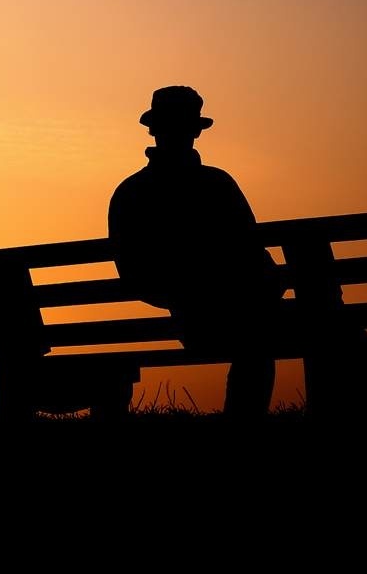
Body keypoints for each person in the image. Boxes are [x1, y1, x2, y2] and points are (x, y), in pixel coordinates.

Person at [108, 86, 283, 418]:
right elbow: (256, 256)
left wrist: (179, 293)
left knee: (261, 333)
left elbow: (132, 275)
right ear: (196, 131)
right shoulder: (218, 185)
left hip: (188, 322)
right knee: (281, 333)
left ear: (152, 129)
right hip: (236, 317)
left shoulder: (129, 193)